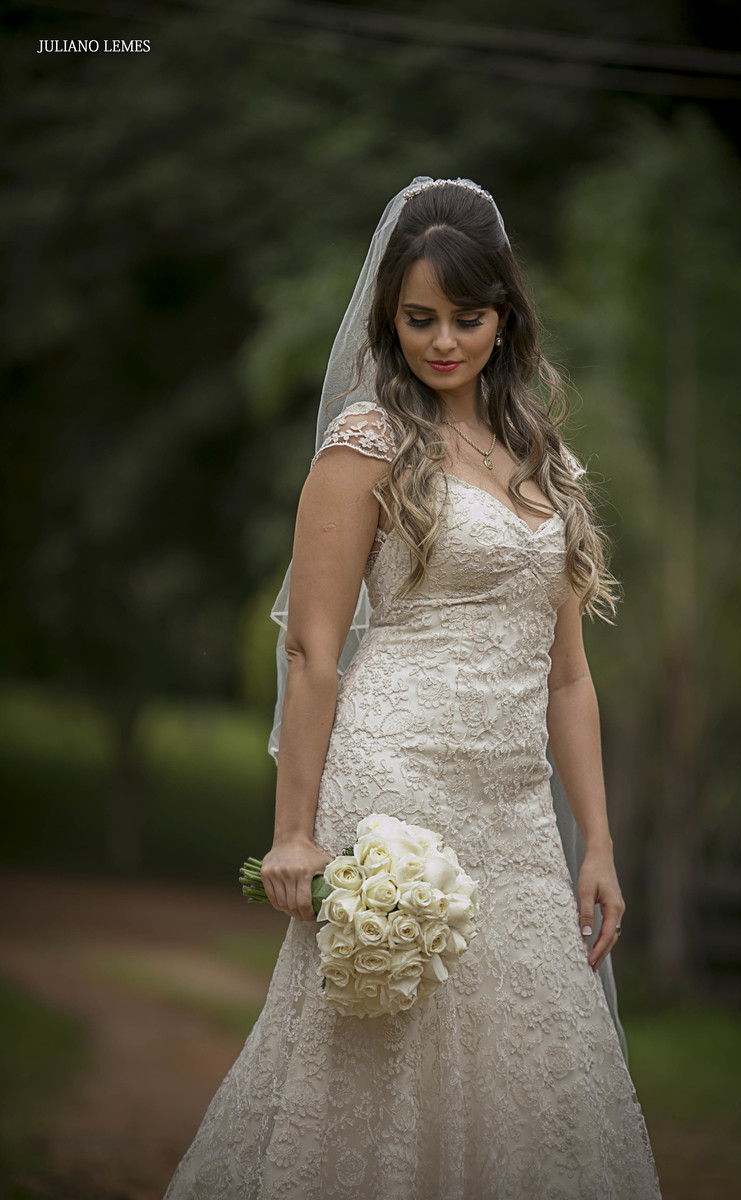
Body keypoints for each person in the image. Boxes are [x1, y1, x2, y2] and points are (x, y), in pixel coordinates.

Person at [163, 176, 661, 1199]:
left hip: (516, 816)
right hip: (394, 791)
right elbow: (312, 651)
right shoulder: (366, 445)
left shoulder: (543, 460)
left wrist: (596, 842)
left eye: (465, 319)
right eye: (418, 319)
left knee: (539, 1073)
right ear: (389, 317)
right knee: (373, 1075)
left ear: (504, 316)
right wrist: (293, 830)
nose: (442, 341)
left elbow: (567, 676)